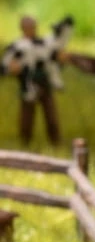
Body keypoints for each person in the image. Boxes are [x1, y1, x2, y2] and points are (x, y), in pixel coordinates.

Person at [1, 15, 73, 146]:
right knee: (27, 116)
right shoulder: (17, 46)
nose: (32, 29)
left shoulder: (44, 43)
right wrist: (11, 69)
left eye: (33, 27)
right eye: (29, 27)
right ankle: (25, 142)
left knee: (51, 115)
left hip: (44, 83)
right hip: (28, 84)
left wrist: (61, 60)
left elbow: (53, 60)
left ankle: (55, 141)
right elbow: (5, 66)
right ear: (23, 28)